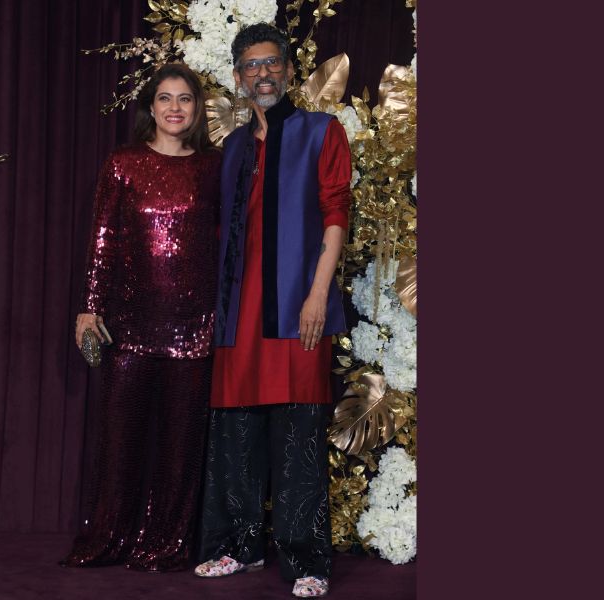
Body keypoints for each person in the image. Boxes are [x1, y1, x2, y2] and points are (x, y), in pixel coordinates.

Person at [194, 24, 351, 598]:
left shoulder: (321, 131)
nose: (262, 74)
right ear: (238, 77)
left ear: (287, 69)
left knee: (297, 435)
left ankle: (307, 560)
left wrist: (318, 294)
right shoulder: (233, 147)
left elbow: (336, 213)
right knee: (236, 432)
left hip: (297, 307)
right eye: (251, 66)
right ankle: (238, 547)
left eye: (271, 63)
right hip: (238, 312)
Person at [60, 62, 221, 572]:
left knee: (181, 446)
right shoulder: (123, 163)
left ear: (197, 108)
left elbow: (228, 244)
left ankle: (166, 543)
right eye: (165, 98)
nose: (175, 108)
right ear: (150, 107)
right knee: (121, 441)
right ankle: (109, 537)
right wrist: (90, 307)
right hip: (129, 324)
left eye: (185, 99)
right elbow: (102, 239)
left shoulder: (213, 168)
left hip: (193, 326)